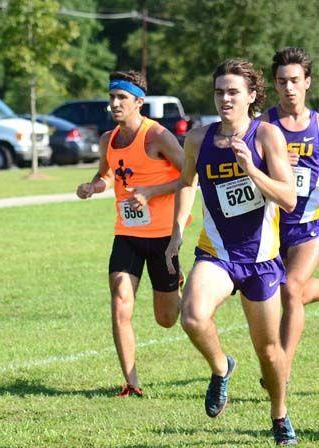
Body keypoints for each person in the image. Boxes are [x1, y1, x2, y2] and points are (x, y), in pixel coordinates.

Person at [165, 58, 298, 445]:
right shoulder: (197, 138)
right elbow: (186, 183)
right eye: (220, 91)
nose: (225, 98)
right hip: (217, 253)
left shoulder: (267, 136)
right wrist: (176, 231)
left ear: (252, 95)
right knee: (192, 316)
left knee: (270, 353)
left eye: (234, 92)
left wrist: (251, 170)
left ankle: (279, 415)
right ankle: (221, 368)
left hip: (261, 261)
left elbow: (288, 198)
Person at [76, 70, 185, 397]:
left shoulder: (158, 137)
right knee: (120, 300)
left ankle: (183, 289)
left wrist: (152, 192)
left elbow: (191, 177)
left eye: (122, 97)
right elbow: (107, 175)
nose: (114, 103)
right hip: (127, 233)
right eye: (111, 97)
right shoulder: (107, 140)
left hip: (163, 237)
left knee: (166, 319)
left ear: (139, 101)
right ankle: (132, 383)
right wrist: (93, 186)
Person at [259, 47, 319, 384]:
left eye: (295, 80)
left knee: (292, 289)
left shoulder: (318, 125)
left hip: (309, 226)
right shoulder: (263, 126)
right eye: (282, 81)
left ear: (307, 82)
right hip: (270, 227)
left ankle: (280, 369)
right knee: (283, 292)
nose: (289, 88)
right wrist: (273, 163)